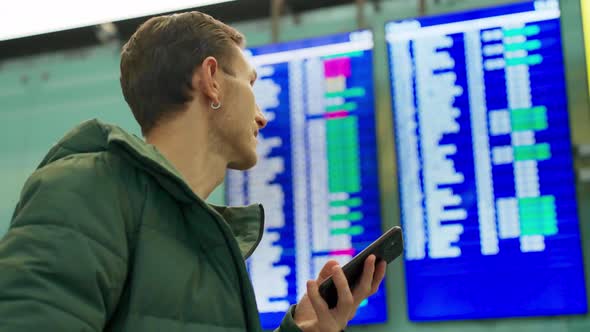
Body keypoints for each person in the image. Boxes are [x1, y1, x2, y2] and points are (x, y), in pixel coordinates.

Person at [0, 11, 386, 332]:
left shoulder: (206, 243)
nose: (262, 117)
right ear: (212, 80)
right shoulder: (85, 188)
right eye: (251, 83)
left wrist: (304, 328)